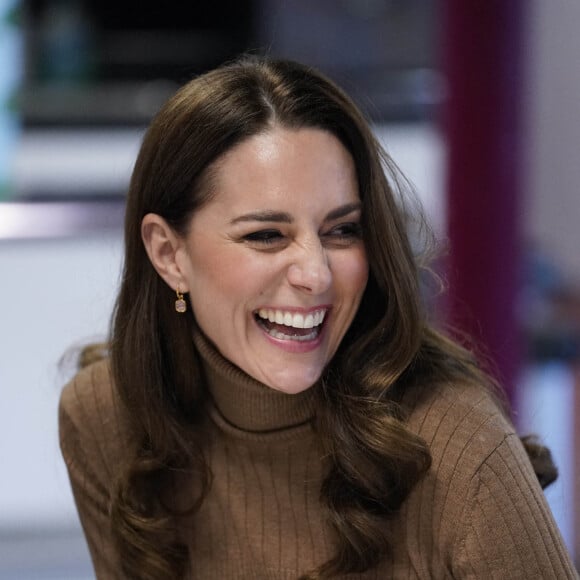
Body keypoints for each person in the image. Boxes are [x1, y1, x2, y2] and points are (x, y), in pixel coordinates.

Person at [59, 55, 578, 580]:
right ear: (169, 254)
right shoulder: (105, 418)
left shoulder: (458, 447)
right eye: (266, 235)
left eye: (342, 230)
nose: (316, 273)